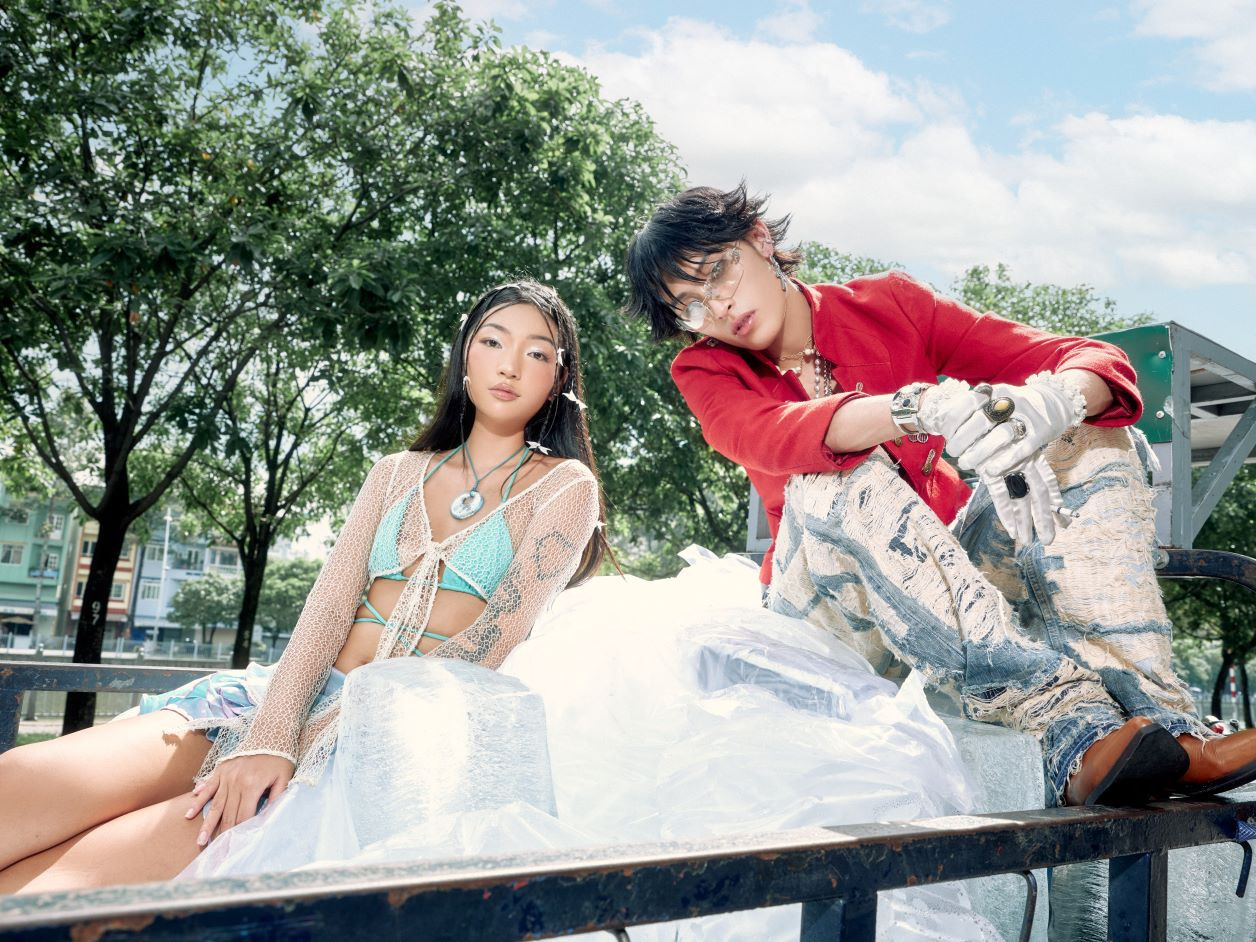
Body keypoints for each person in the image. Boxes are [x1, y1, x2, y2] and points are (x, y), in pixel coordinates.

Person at [623, 182, 1256, 808]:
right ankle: (1073, 729)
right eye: (689, 305)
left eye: (718, 271)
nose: (717, 308)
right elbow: (771, 435)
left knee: (1088, 434)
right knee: (832, 472)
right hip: (830, 621)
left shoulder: (890, 304)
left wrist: (1045, 406)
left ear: (759, 239)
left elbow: (1092, 357)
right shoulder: (704, 369)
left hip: (948, 589)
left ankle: (1168, 727)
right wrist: (918, 407)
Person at [0, 280, 608, 894]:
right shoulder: (395, 473)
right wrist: (272, 733)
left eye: (536, 352)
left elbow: (491, 643)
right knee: (18, 786)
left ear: (558, 377)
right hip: (278, 697)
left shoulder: (565, 487)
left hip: (378, 737)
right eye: (492, 341)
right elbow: (329, 606)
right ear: (465, 356)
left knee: (58, 884)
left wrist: (306, 745)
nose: (510, 365)